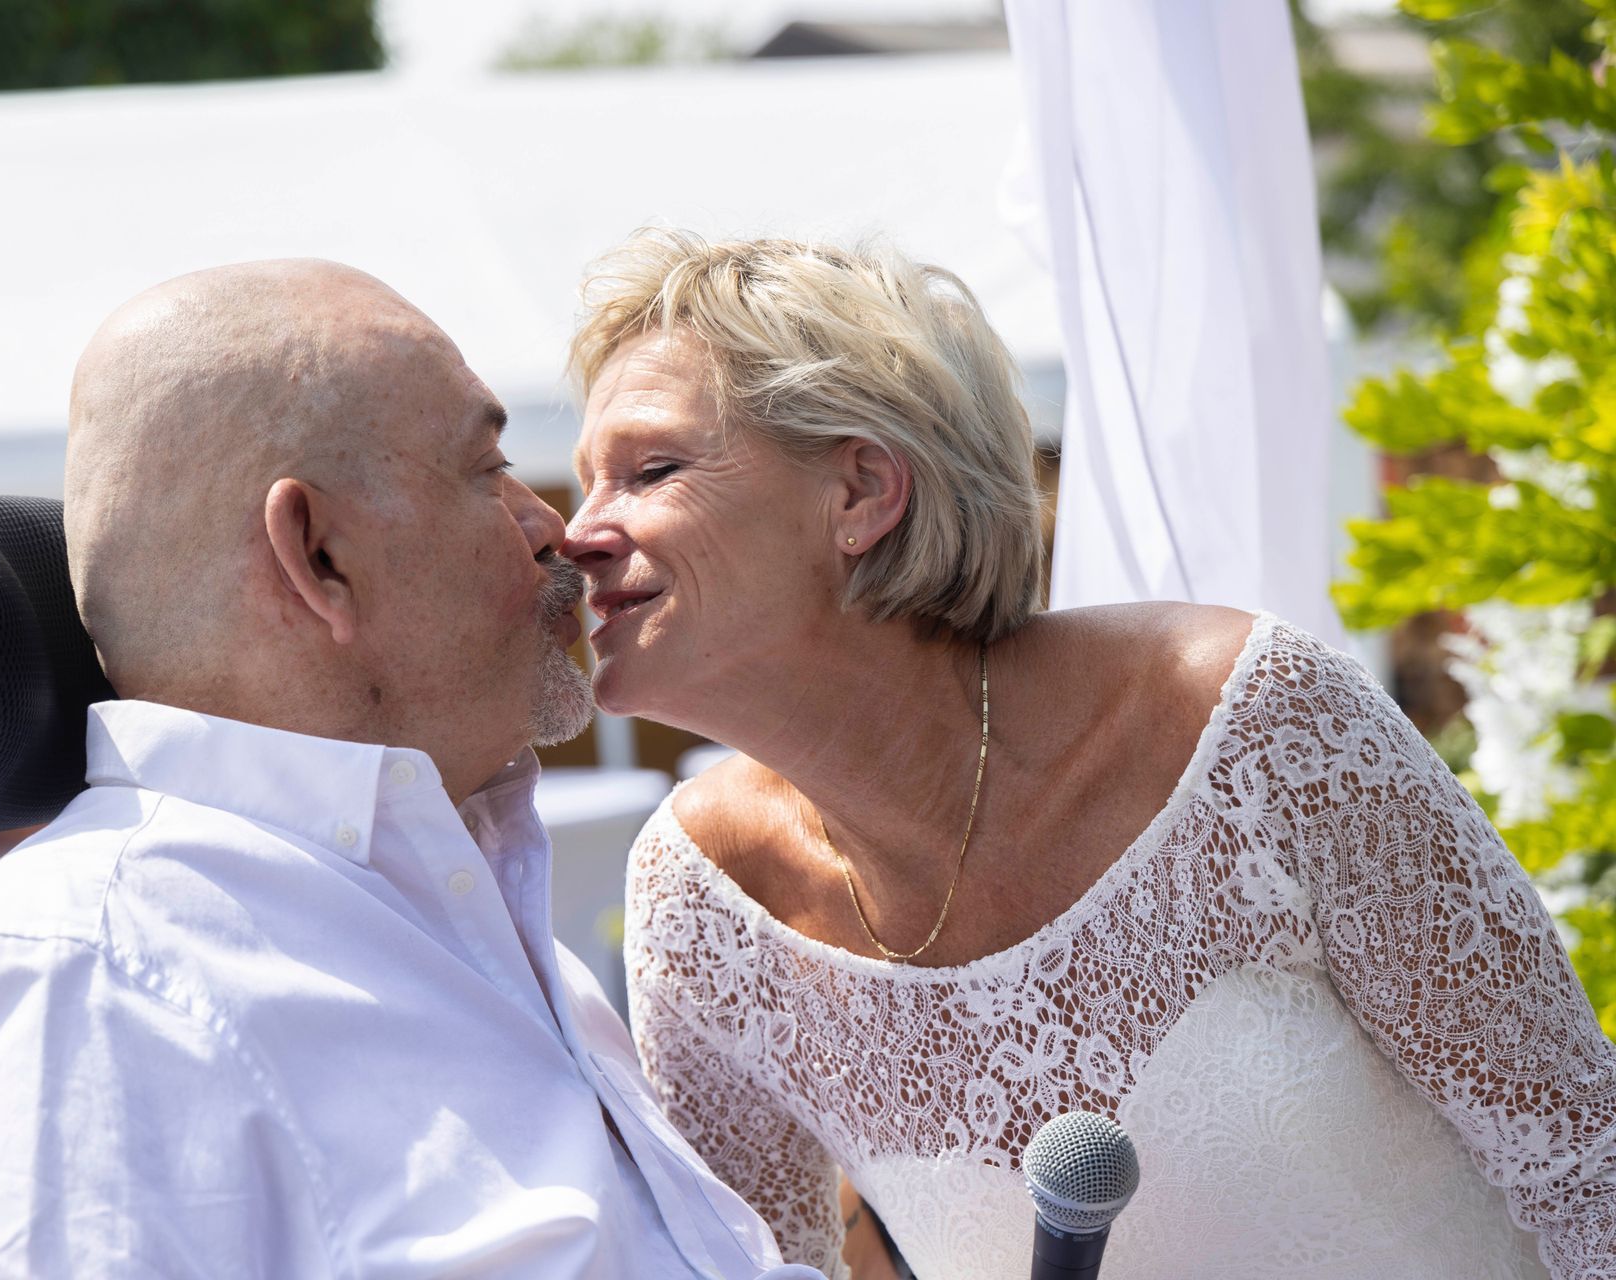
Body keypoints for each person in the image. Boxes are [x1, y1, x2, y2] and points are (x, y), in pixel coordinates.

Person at [563, 230, 1616, 1280]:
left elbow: (1586, 1169)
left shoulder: (1246, 721)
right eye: (582, 482)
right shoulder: (701, 903)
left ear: (861, 492)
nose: (578, 533)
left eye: (648, 470)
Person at [0, 259, 825, 1280]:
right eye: (487, 471)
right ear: (318, 556)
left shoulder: (450, 911)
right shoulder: (84, 984)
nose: (556, 530)